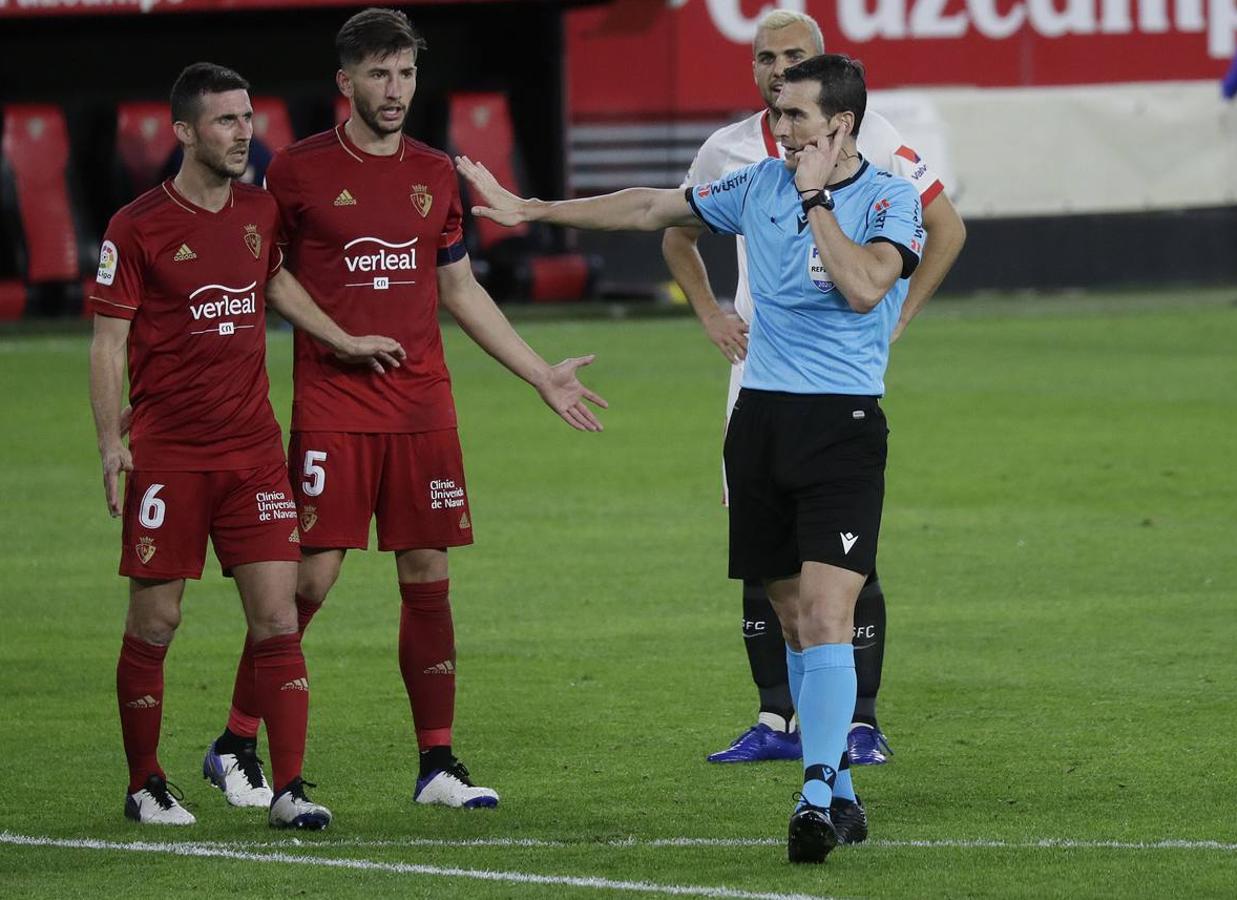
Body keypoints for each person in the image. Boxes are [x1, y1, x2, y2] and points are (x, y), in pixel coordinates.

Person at [458, 52, 921, 863]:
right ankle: (841, 797)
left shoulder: (889, 197)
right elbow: (649, 208)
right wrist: (528, 208)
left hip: (841, 429)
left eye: (797, 117)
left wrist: (815, 199)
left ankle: (814, 793)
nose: (780, 130)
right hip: (758, 422)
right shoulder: (757, 185)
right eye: (777, 116)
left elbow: (860, 287)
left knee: (825, 615)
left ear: (840, 123)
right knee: (787, 615)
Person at [201, 7, 607, 811]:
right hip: (333, 405)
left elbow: (457, 287)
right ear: (345, 82)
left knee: (428, 574)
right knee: (309, 580)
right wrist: (323, 344)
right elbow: (265, 275)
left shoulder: (432, 172)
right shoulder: (297, 173)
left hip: (423, 406)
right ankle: (235, 742)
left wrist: (537, 374)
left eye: (407, 73)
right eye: (380, 74)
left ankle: (438, 765)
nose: (395, 90)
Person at [89, 62, 405, 828]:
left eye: (247, 117)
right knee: (155, 623)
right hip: (168, 455)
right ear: (185, 132)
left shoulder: (260, 211)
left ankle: (290, 787)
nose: (244, 133)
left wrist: (343, 338)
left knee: (277, 618)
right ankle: (144, 784)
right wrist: (110, 444)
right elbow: (106, 342)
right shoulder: (136, 226)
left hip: (253, 454)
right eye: (226, 121)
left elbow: (276, 283)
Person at [663, 9, 965, 767]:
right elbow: (671, 225)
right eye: (763, 57)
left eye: (791, 56)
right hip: (758, 377)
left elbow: (945, 227)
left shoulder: (875, 139)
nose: (774, 68)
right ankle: (778, 719)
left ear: (821, 65)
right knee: (762, 550)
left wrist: (900, 314)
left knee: (840, 557)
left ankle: (856, 720)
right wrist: (709, 311)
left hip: (836, 378)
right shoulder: (731, 150)